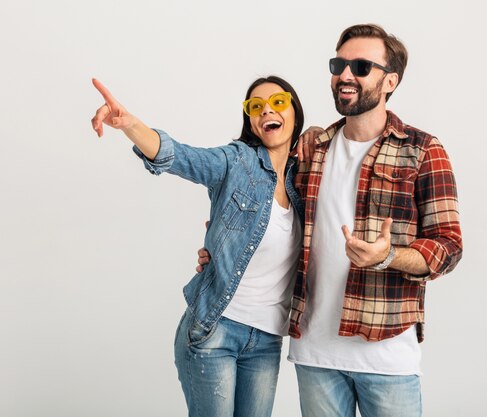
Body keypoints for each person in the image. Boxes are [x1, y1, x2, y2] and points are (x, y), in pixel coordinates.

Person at [198, 23, 463, 417]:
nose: (345, 75)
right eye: (338, 64)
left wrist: (387, 256)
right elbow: (268, 215)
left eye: (360, 66)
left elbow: (449, 245)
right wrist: (221, 247)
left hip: (387, 357)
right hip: (316, 355)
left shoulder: (423, 150)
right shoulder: (311, 149)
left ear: (390, 81)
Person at [90, 75, 305, 417]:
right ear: (250, 119)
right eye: (256, 107)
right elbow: (182, 157)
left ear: (294, 110)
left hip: (266, 339)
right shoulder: (237, 162)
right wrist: (130, 124)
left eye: (277, 102)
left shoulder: (305, 178)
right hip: (215, 329)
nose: (267, 111)